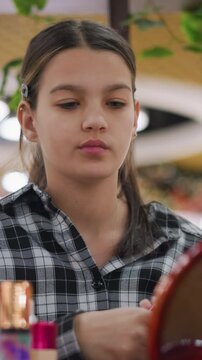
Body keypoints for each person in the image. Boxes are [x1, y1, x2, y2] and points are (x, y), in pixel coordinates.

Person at [0, 19, 202, 360]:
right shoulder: (6, 243)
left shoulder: (184, 251)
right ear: (29, 121)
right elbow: (9, 349)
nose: (96, 119)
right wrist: (74, 336)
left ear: (134, 118)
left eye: (115, 103)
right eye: (69, 103)